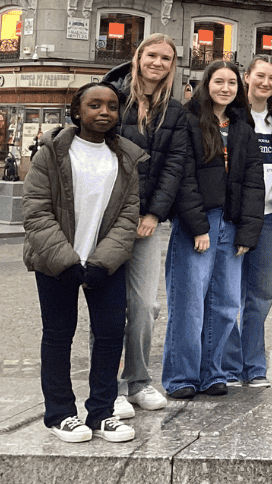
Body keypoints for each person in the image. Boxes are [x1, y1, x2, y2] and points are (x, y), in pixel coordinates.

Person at [22, 82, 144, 443]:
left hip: (106, 263)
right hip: (55, 260)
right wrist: (67, 261)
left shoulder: (126, 157)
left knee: (109, 334)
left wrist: (102, 262)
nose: (104, 112)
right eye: (95, 105)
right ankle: (60, 414)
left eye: (111, 106)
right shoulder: (52, 153)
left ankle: (102, 413)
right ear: (77, 111)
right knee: (59, 335)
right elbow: (36, 211)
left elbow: (128, 215)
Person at [161, 60, 263, 400]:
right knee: (188, 303)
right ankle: (181, 377)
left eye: (232, 83)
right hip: (198, 224)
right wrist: (198, 226)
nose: (225, 88)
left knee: (225, 303)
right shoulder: (188, 122)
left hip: (232, 225)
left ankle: (213, 373)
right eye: (218, 81)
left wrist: (248, 234)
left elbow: (253, 183)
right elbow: (182, 177)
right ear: (206, 85)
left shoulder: (242, 127)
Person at [103, 34, 191, 417]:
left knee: (143, 304)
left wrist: (154, 213)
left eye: (166, 58)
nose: (158, 63)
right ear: (138, 58)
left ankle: (138, 382)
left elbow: (173, 166)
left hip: (145, 220)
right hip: (106, 218)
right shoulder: (110, 98)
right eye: (152, 55)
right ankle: (108, 386)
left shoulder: (174, 111)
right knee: (108, 304)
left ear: (173, 65)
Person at [223, 55, 272, 386]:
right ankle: (231, 365)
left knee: (261, 296)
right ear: (247, 76)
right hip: (235, 216)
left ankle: (255, 365)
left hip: (269, 217)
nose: (265, 82)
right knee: (228, 294)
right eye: (260, 76)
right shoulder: (232, 115)